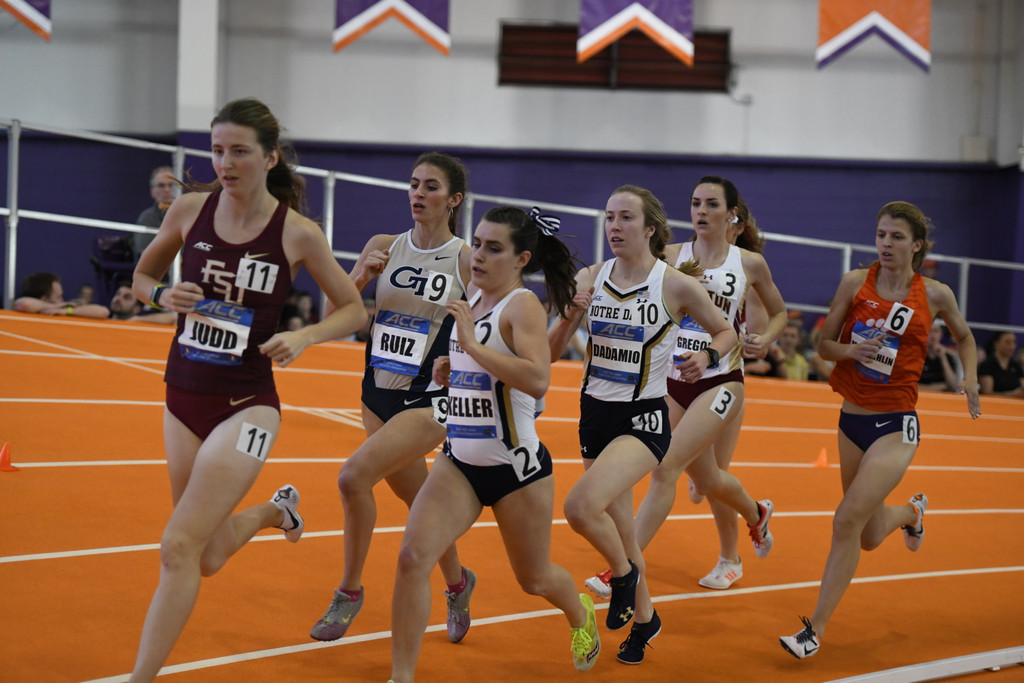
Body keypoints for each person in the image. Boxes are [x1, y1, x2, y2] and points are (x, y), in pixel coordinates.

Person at [125, 98, 366, 682]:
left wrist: (305, 334)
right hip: (182, 393)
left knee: (178, 546)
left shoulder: (299, 233)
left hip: (249, 406)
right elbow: (142, 279)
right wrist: (163, 297)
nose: (225, 162)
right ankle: (273, 513)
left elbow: (355, 308)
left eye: (238, 151)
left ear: (269, 157)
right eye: (216, 151)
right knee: (205, 557)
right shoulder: (187, 211)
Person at [389, 206, 600, 682]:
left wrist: (469, 344)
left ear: (521, 258)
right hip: (459, 461)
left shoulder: (522, 305)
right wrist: (450, 366)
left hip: (514, 469)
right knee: (411, 559)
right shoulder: (473, 298)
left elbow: (537, 378)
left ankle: (580, 613)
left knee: (534, 579)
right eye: (478, 243)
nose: (479, 255)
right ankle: (401, 676)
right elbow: (479, 365)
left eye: (493, 248)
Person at [779, 201, 981, 660]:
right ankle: (912, 514)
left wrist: (968, 377)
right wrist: (852, 352)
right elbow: (822, 344)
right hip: (852, 421)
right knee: (867, 536)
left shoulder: (936, 294)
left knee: (845, 520)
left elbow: (965, 337)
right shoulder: (855, 283)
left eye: (896, 237)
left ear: (916, 245)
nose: (885, 244)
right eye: (881, 235)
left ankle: (815, 630)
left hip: (897, 425)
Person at [550, 185, 737, 665]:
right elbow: (549, 353)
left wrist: (709, 355)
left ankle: (623, 577)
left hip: (644, 418)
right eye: (609, 216)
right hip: (594, 413)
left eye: (626, 218)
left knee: (580, 507)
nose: (614, 226)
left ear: (649, 228)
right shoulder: (592, 276)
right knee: (624, 530)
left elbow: (726, 329)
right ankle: (646, 618)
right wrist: (572, 313)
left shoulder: (673, 283)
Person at [586, 177, 786, 609]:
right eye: (695, 202)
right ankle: (755, 516)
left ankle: (622, 565)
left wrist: (766, 337)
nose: (700, 211)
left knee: (666, 465)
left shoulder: (749, 263)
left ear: (731, 213)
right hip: (673, 378)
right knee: (709, 478)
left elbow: (780, 311)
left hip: (720, 378)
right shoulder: (672, 257)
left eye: (711, 204)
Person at [310, 151, 476, 644]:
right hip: (377, 389)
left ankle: (349, 591)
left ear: (454, 199)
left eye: (430, 187)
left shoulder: (467, 259)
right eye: (413, 184)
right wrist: (358, 274)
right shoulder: (384, 245)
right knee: (418, 499)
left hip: (430, 398)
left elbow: (491, 327)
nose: (418, 194)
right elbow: (329, 317)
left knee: (352, 478)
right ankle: (458, 582)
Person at [13, 271, 110, 318]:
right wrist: (55, 306)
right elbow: (24, 304)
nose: (62, 300)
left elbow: (103, 312)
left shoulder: (65, 309)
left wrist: (67, 311)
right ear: (44, 299)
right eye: (58, 297)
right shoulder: (30, 306)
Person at [135, 166, 176, 257]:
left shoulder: (189, 216)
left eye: (171, 185)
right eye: (161, 185)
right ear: (152, 192)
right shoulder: (148, 218)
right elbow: (145, 255)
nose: (167, 190)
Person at [977, 331, 1023, 397]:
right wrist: (1012, 394)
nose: (1012, 346)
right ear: (996, 343)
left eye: (1014, 342)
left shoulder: (1016, 366)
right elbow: (987, 393)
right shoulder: (987, 365)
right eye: (1007, 342)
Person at [918, 322, 961, 392]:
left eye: (936, 331)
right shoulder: (917, 356)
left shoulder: (948, 356)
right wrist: (940, 386)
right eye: (930, 331)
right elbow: (913, 386)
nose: (933, 335)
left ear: (941, 334)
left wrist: (943, 357)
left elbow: (953, 386)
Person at [109, 283, 176, 324]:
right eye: (117, 294)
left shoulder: (139, 325)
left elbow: (173, 318)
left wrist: (135, 320)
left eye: (126, 297)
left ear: (137, 308)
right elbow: (103, 312)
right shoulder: (102, 318)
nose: (118, 299)